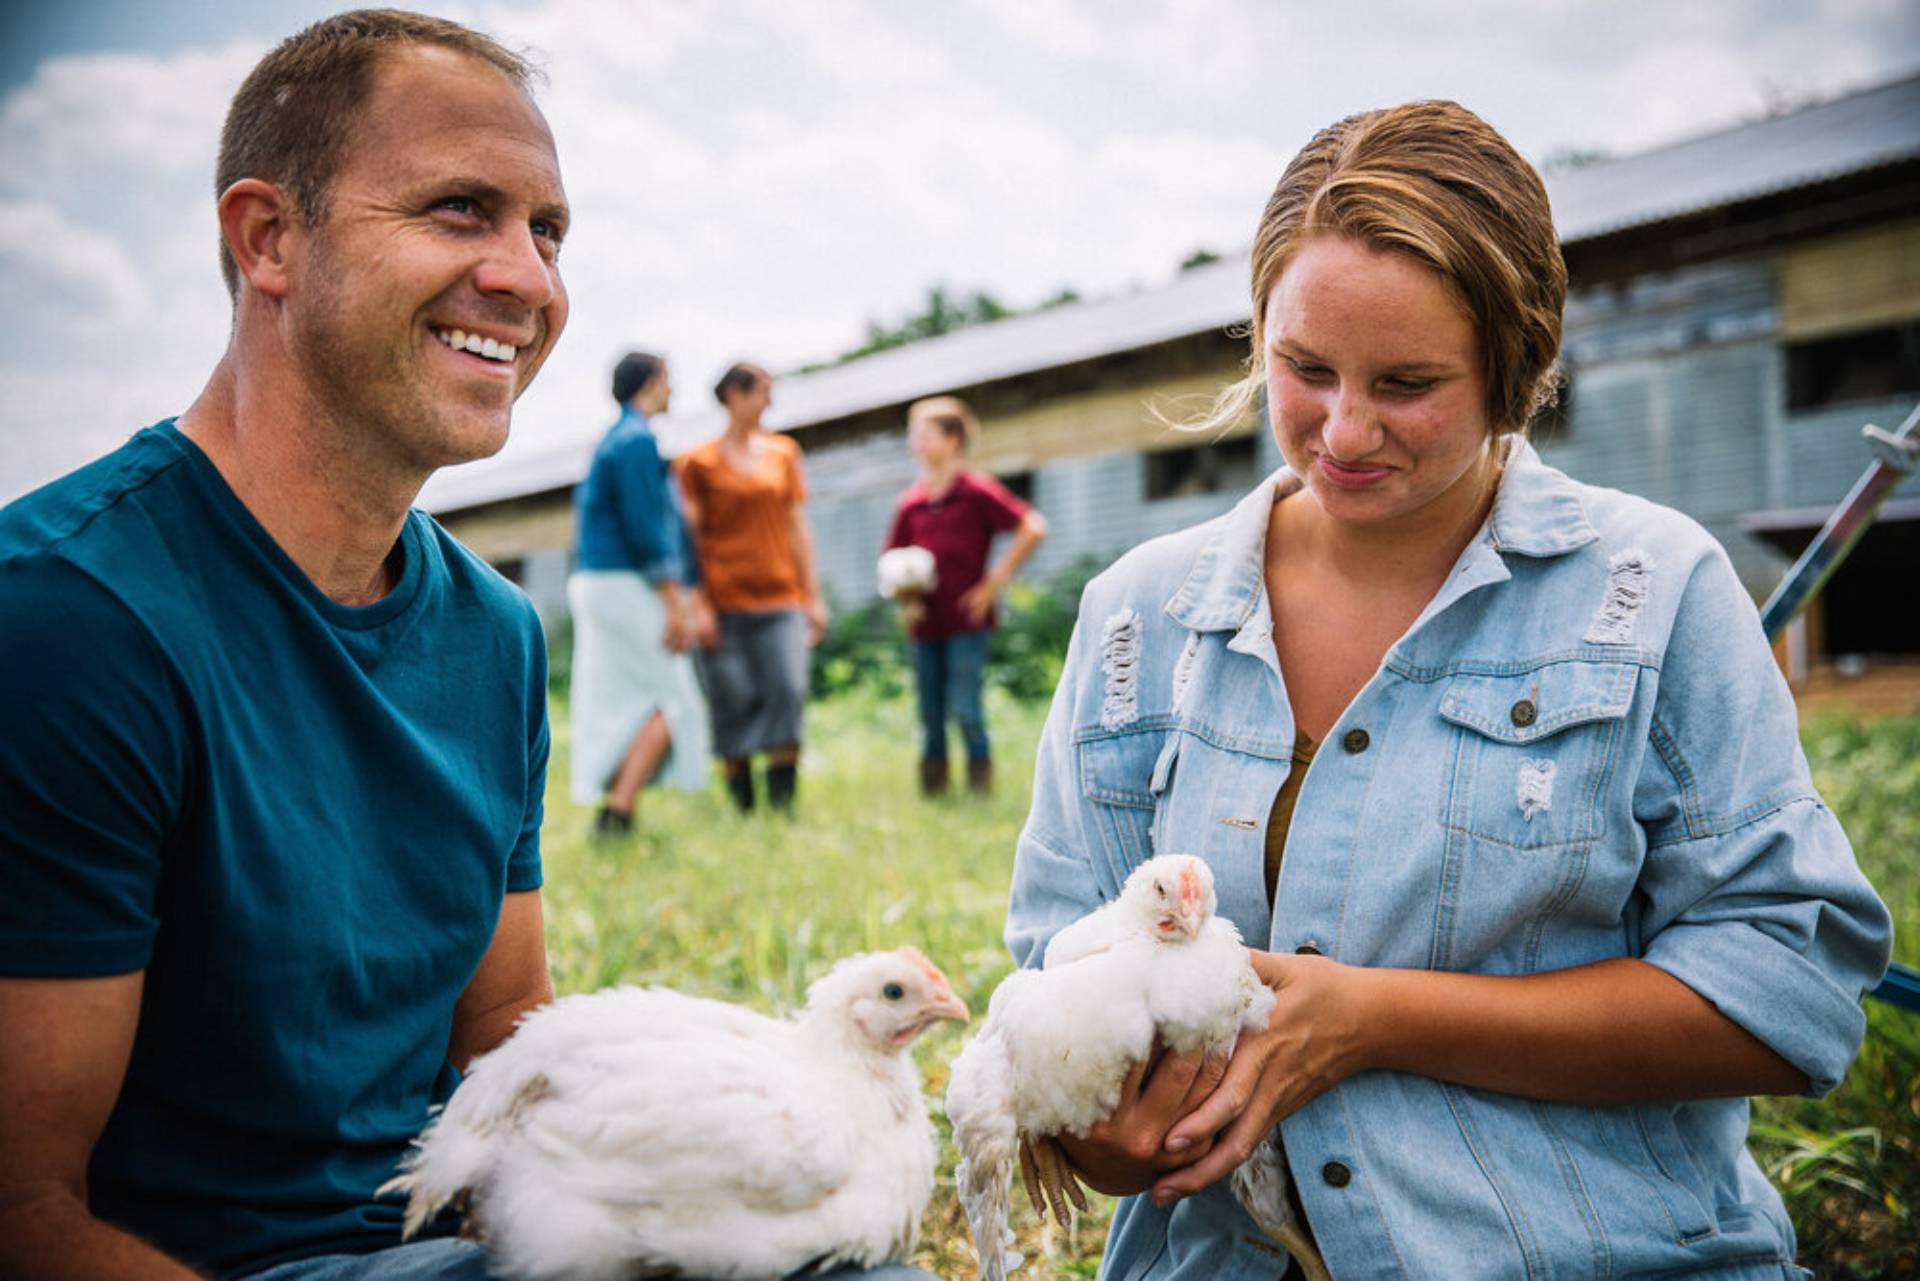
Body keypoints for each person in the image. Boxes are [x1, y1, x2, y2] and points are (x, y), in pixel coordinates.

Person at [0, 13, 930, 1281]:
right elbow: (24, 1216)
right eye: (457, 210)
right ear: (268, 238)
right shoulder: (65, 618)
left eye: (546, 231)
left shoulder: (492, 634)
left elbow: (506, 1044)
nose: (530, 280)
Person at [1003, 100, 1893, 1280]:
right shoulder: (1138, 620)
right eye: (1304, 369)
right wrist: (1110, 1132)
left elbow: (1790, 989)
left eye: (1409, 382)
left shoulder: (1652, 589)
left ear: (1517, 372)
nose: (1346, 429)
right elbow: (1060, 992)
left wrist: (1372, 1020)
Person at [568, 350, 712, 837]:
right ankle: (618, 812)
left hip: (602, 582)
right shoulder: (636, 441)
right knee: (674, 698)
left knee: (633, 697)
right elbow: (647, 528)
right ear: (650, 383)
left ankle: (618, 806)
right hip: (624, 582)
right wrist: (677, 603)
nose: (673, 390)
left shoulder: (610, 440)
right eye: (668, 379)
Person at [675, 362, 828, 814]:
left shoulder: (784, 453)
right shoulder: (696, 463)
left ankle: (782, 806)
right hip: (723, 603)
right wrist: (696, 603)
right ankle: (744, 806)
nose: (770, 402)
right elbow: (688, 539)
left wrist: (813, 596)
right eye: (763, 392)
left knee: (787, 690)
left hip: (781, 598)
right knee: (732, 701)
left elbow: (798, 527)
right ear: (734, 398)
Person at [883, 396, 1048, 795]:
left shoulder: (975, 491)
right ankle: (935, 791)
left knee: (967, 709)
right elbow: (893, 557)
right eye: (912, 433)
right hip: (926, 625)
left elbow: (1033, 527)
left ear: (953, 440)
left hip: (967, 619)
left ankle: (980, 790)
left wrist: (993, 585)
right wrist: (906, 600)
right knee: (930, 713)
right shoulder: (912, 502)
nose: (915, 441)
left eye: (924, 432)